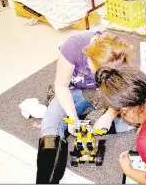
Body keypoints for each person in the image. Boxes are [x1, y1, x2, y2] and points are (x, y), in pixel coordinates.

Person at [36, 31, 134, 184]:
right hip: (74, 92)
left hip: (105, 95)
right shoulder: (73, 45)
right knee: (49, 128)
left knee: (134, 118)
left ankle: (91, 121)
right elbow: (61, 86)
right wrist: (72, 117)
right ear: (88, 56)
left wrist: (109, 115)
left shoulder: (119, 58)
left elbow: (122, 93)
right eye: (96, 71)